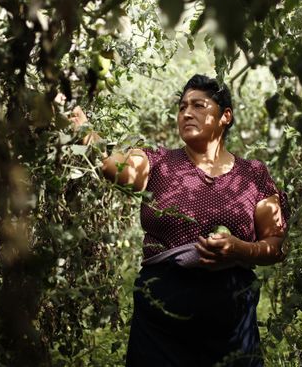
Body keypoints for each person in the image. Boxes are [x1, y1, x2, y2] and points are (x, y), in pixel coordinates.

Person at [69, 74, 288, 366]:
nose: (186, 113)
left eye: (198, 105)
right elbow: (114, 168)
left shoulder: (252, 175)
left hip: (231, 328)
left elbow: (275, 245)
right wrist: (82, 127)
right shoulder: (158, 162)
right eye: (182, 106)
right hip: (161, 327)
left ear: (225, 116)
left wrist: (239, 250)